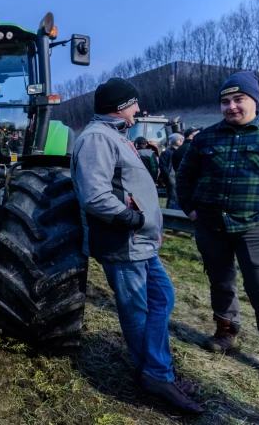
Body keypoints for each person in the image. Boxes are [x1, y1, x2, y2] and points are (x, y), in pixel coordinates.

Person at [71, 77, 204, 414]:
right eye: (133, 104)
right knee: (137, 309)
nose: (138, 109)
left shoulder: (115, 135)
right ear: (119, 107)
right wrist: (133, 220)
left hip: (140, 242)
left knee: (162, 298)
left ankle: (156, 371)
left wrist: (147, 226)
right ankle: (157, 375)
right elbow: (95, 195)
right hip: (124, 242)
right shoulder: (97, 138)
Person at [176, 70, 259, 395]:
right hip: (210, 226)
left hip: (256, 228)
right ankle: (226, 332)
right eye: (225, 101)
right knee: (220, 281)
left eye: (239, 99)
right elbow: (184, 176)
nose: (231, 106)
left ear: (254, 100)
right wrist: (189, 209)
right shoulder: (206, 138)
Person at [159, 133, 183, 209]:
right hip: (172, 178)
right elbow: (163, 166)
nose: (181, 141)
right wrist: (168, 176)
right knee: (172, 197)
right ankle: (170, 212)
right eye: (179, 139)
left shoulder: (179, 151)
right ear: (174, 141)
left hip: (176, 177)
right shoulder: (167, 152)